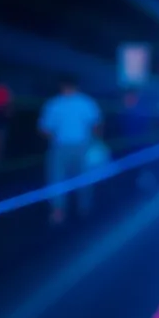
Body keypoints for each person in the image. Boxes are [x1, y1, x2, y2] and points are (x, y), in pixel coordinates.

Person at [38, 77, 103, 224]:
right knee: (82, 177)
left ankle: (59, 211)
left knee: (58, 178)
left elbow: (44, 129)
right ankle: (83, 208)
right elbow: (96, 125)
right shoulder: (86, 102)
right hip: (81, 145)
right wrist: (96, 142)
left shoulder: (54, 104)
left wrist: (55, 137)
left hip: (61, 146)